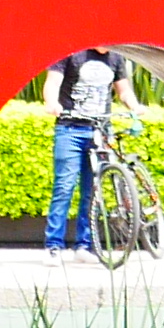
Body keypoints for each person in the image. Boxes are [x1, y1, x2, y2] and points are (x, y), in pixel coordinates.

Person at [43, 48, 129, 252]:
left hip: (100, 130)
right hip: (70, 129)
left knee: (92, 191)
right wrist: (52, 103)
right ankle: (53, 245)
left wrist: (134, 105)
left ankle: (85, 245)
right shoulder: (71, 52)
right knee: (64, 188)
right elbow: (52, 82)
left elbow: (123, 90)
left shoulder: (116, 57)